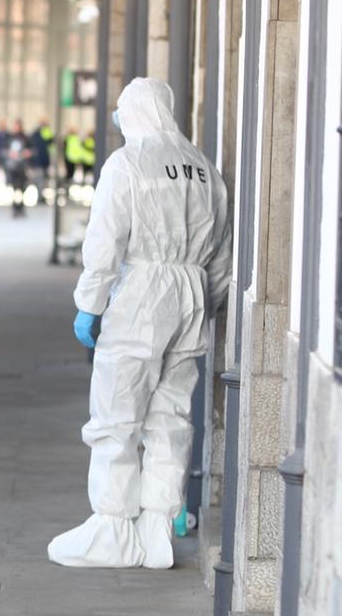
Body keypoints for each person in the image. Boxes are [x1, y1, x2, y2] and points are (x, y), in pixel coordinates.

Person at [47, 77, 232, 571]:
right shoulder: (204, 169)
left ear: (132, 113)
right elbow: (222, 256)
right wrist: (204, 305)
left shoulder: (127, 163)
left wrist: (90, 302)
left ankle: (112, 527)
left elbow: (106, 238)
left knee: (116, 412)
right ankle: (157, 527)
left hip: (143, 293)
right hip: (191, 293)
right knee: (171, 414)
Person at [2, 120, 31, 217]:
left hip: (22, 166)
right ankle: (15, 208)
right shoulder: (9, 138)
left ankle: (21, 207)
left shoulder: (25, 138)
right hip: (12, 166)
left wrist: (26, 153)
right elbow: (3, 150)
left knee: (22, 188)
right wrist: (10, 154)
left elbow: (31, 150)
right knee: (15, 188)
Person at [29, 117, 55, 206]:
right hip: (41, 161)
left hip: (42, 161)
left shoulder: (35, 134)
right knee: (40, 180)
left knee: (42, 180)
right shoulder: (43, 133)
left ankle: (40, 197)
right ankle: (40, 198)